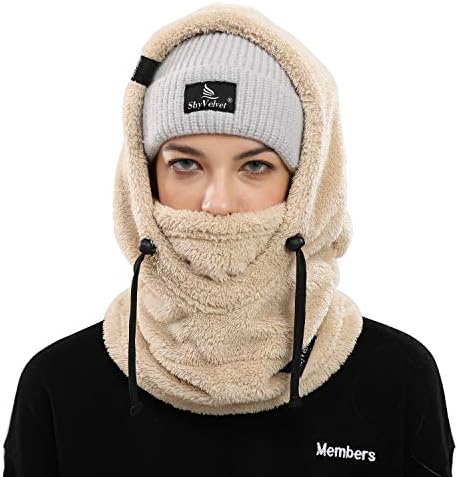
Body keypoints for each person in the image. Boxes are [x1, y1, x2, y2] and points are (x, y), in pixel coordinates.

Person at [2, 3, 455, 476]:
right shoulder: (58, 387)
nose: (217, 203)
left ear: (305, 187)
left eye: (256, 166)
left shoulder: (396, 378)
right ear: (144, 181)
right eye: (185, 164)